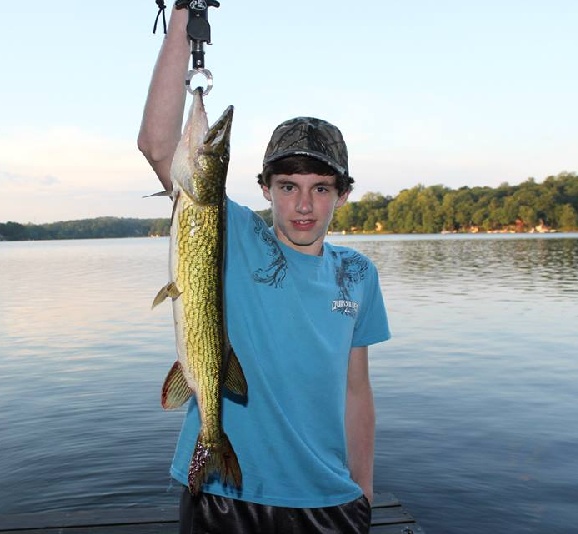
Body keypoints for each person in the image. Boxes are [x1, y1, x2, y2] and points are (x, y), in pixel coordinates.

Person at [137, 7, 390, 533]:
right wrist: (185, 19)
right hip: (226, 495)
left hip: (330, 499)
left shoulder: (359, 275)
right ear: (266, 191)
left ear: (342, 194)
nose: (303, 204)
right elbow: (157, 145)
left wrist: (363, 490)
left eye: (320, 188)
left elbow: (356, 391)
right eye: (288, 186)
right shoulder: (230, 236)